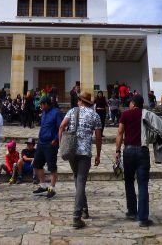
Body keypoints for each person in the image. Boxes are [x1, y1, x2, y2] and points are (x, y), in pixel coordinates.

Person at [58, 91, 102, 229]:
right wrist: (98, 154)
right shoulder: (95, 115)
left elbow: (61, 126)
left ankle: (84, 210)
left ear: (80, 101)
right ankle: (77, 216)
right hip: (85, 152)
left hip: (72, 151)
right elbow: (99, 137)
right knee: (81, 180)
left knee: (77, 179)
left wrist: (61, 145)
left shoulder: (72, 111)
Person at [115, 94, 153, 227]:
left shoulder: (126, 115)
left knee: (129, 181)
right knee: (143, 184)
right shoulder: (146, 114)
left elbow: (120, 133)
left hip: (129, 151)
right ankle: (143, 218)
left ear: (133, 103)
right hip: (142, 150)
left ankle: (132, 211)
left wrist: (118, 151)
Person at [32, 96, 63, 198]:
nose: (40, 106)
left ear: (46, 104)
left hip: (51, 143)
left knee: (52, 166)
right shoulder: (44, 113)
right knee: (37, 164)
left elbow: (61, 127)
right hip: (41, 142)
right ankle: (43, 185)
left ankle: (52, 188)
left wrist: (56, 139)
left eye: (41, 104)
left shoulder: (56, 113)